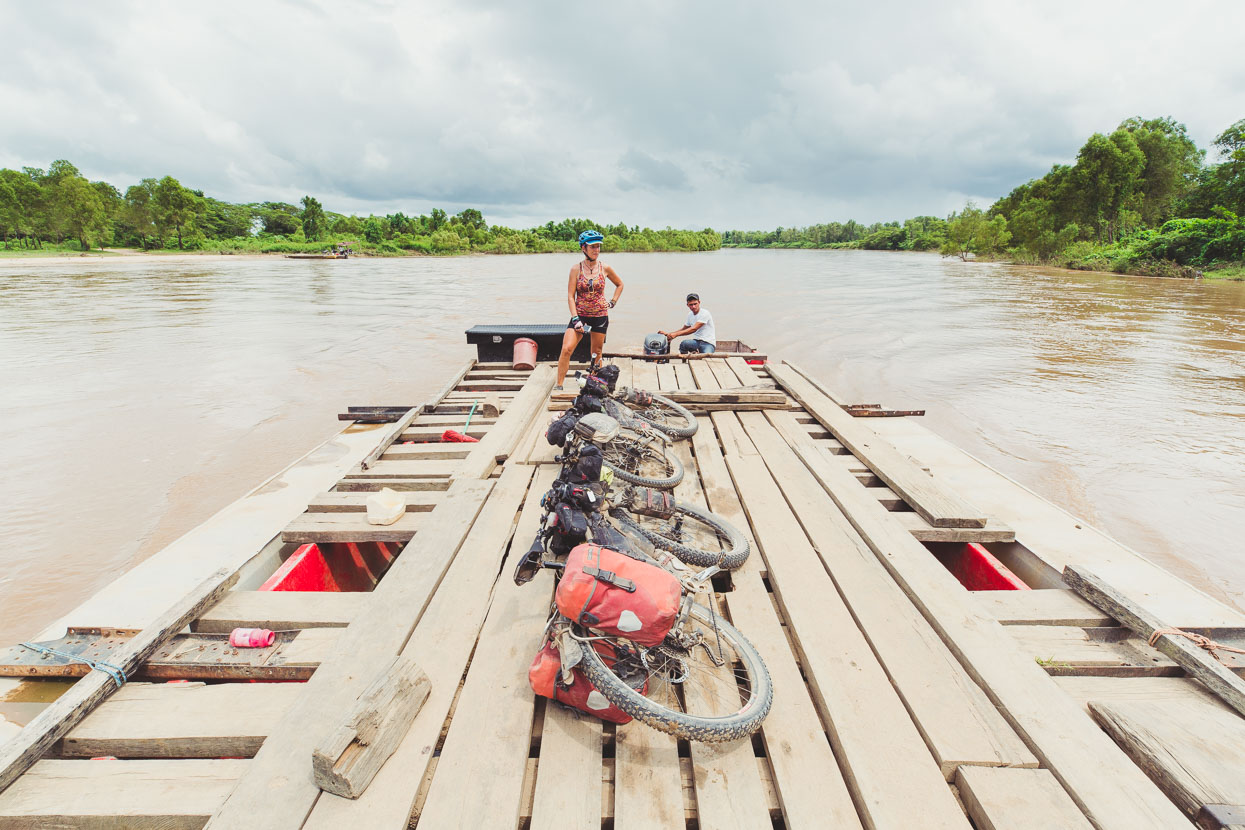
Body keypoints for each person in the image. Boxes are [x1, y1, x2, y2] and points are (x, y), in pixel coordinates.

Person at [556, 229, 623, 389]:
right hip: (580, 316)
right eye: (592, 247)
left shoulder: (605, 268)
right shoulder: (576, 269)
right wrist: (575, 318)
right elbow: (571, 296)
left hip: (600, 315)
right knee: (567, 349)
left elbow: (620, 284)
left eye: (598, 246)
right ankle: (559, 385)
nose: (596, 250)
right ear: (583, 248)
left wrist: (612, 301)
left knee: (596, 352)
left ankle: (594, 384)